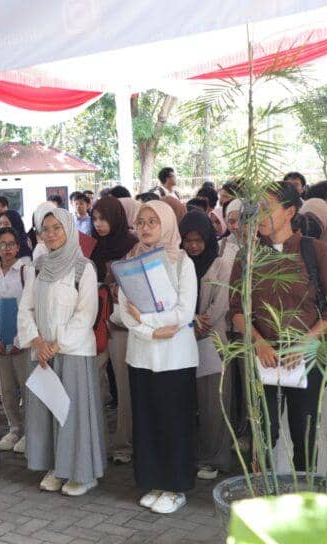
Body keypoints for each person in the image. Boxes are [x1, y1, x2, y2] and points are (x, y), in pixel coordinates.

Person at [230, 183, 327, 473]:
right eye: (255, 210)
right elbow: (237, 312)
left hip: (306, 359)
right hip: (262, 357)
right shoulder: (248, 256)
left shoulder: (316, 251)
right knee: (263, 436)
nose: (258, 216)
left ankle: (304, 499)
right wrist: (259, 342)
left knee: (305, 434)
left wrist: (305, 342)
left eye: (266, 209)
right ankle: (264, 499)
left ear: (290, 212)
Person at [116, 201, 198, 513]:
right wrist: (150, 330)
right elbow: (125, 312)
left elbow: (184, 312)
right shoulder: (130, 261)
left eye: (153, 221)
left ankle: (176, 487)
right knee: (147, 420)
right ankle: (153, 480)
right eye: (141, 221)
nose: (146, 227)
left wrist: (147, 322)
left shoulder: (181, 262)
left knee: (173, 421)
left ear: (166, 224)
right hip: (141, 354)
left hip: (175, 358)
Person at [18, 207, 104, 496]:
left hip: (73, 352)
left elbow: (86, 312)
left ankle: (82, 473)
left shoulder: (84, 267)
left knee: (72, 413)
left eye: (58, 227)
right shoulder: (39, 267)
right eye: (47, 229)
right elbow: (25, 307)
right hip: (43, 352)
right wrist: (38, 342)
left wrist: (58, 343)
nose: (52, 234)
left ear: (69, 229)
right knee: (48, 410)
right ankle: (57, 466)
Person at [179, 210, 232, 480]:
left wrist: (199, 325)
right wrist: (188, 320)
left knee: (214, 402)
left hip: (212, 342)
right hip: (180, 341)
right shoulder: (179, 263)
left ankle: (215, 457)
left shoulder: (221, 264)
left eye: (199, 239)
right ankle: (191, 452)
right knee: (188, 402)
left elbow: (221, 304)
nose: (194, 246)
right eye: (188, 240)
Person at [90, 195, 139, 463]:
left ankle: (124, 444)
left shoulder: (131, 245)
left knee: (123, 385)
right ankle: (94, 439)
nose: (98, 224)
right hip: (97, 321)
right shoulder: (94, 246)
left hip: (121, 323)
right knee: (94, 381)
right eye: (95, 218)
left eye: (103, 218)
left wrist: (111, 284)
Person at [0, 226, 33, 453]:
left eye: (11, 244)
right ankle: (14, 428)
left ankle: (31, 432)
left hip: (21, 340)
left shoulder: (26, 270)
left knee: (26, 388)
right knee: (6, 389)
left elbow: (29, 308)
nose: (7, 249)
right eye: (2, 244)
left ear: (18, 246)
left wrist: (17, 340)